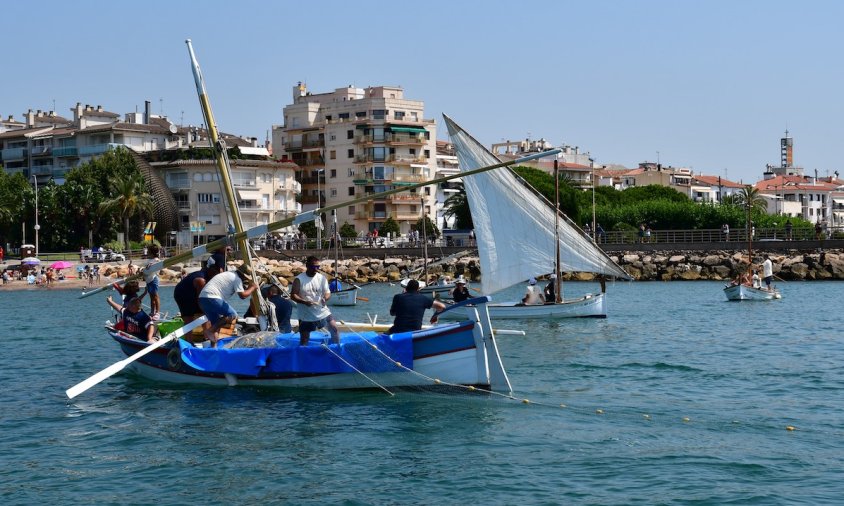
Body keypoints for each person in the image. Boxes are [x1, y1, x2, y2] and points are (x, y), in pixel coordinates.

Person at [198, 263, 258, 346]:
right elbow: (243, 296)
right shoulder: (236, 279)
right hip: (211, 297)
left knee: (216, 324)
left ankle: (213, 348)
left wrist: (248, 287)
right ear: (243, 275)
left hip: (202, 299)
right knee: (232, 314)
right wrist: (253, 287)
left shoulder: (229, 274)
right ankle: (210, 331)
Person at [290, 256, 339, 346]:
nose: (316, 269)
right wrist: (304, 302)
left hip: (322, 311)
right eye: (314, 267)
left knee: (334, 328)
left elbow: (328, 293)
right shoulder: (299, 279)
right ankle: (302, 354)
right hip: (306, 314)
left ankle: (336, 348)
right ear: (307, 266)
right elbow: (293, 295)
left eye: (318, 267)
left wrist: (325, 298)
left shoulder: (322, 278)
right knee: (304, 338)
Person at [140, 245, 161, 319]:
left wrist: (152, 265)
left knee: (155, 296)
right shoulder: (148, 260)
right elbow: (143, 266)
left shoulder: (156, 259)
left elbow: (158, 264)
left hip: (153, 280)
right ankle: (152, 312)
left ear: (152, 253)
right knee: (151, 297)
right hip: (148, 281)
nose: (147, 252)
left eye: (148, 251)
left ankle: (157, 312)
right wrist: (141, 269)